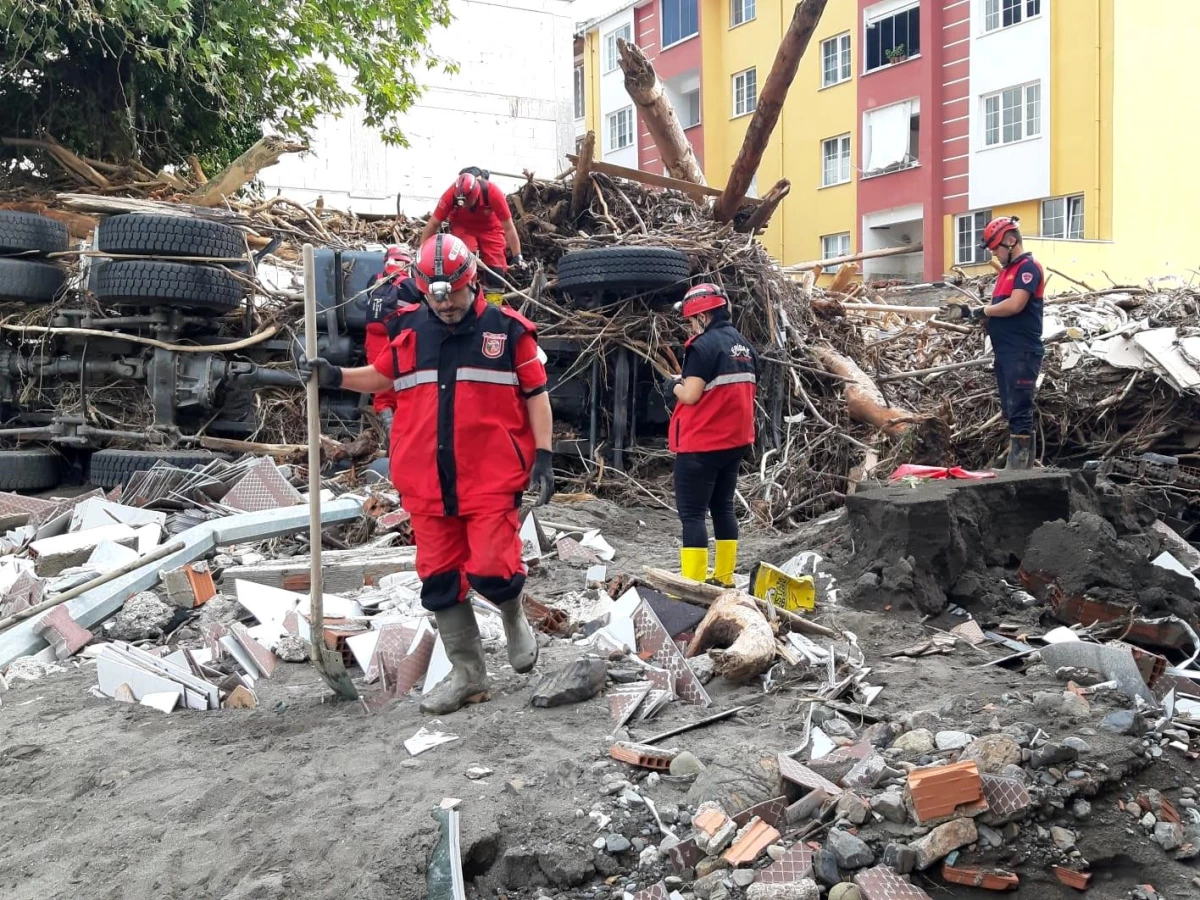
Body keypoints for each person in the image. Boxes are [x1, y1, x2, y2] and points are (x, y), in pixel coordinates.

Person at [299, 233, 556, 715]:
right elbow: (382, 375)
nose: (446, 305)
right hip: (426, 481)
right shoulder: (413, 329)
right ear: (422, 288)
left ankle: (512, 613)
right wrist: (335, 375)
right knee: (438, 579)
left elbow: (536, 393)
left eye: (454, 295)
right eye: (436, 296)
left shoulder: (509, 331)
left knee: (491, 568)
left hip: (490, 478)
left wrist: (543, 456)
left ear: (471, 282)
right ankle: (468, 673)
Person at [666, 283, 759, 588]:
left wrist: (673, 385)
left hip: (701, 445)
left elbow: (691, 396)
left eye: (692, 321)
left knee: (692, 516)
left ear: (703, 316)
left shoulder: (702, 347)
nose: (692, 327)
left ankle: (692, 586)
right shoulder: (744, 346)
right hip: (734, 443)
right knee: (723, 508)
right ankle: (725, 579)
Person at [941, 216, 1045, 469]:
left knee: (1020, 406)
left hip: (1022, 350)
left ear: (1010, 241)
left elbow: (1014, 305)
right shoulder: (1007, 272)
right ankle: (1021, 466)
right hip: (1006, 351)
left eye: (996, 249)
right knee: (1011, 408)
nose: (995, 255)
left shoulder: (1028, 268)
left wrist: (981, 312)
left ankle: (1020, 468)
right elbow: (996, 309)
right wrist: (969, 313)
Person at [420, 168, 524, 297]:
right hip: (462, 228)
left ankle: (494, 305)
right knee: (464, 262)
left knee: (496, 270)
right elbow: (433, 224)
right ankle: (469, 300)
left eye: (468, 202)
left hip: (490, 229)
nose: (464, 206)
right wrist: (422, 253)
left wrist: (517, 255)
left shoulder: (492, 192)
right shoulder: (450, 194)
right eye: (461, 203)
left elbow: (508, 227)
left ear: (476, 194)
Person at [361, 244, 421, 436]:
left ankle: (388, 435)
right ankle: (402, 435)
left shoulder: (374, 281)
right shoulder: (410, 285)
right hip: (396, 338)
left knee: (380, 390)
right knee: (404, 387)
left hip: (372, 340)